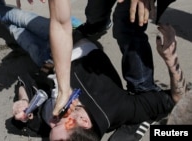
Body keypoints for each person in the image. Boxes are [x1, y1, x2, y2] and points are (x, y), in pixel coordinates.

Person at [11, 23, 187, 141]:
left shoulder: (49, 123)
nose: (52, 121)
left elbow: (26, 83)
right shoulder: (114, 107)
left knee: (12, 24)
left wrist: (23, 100)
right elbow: (175, 100)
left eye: (51, 128)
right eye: (59, 123)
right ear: (83, 121)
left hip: (46, 61)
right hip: (72, 39)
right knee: (20, 19)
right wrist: (171, 61)